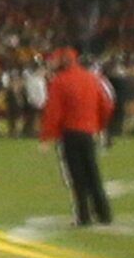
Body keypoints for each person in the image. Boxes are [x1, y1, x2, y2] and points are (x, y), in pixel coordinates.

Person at [41, 47, 114, 226]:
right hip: (89, 131)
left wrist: (47, 137)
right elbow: (106, 103)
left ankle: (84, 215)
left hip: (70, 133)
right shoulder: (91, 78)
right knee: (93, 173)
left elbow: (54, 112)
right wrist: (99, 125)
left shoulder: (59, 82)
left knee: (77, 177)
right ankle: (104, 213)